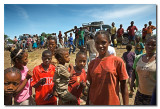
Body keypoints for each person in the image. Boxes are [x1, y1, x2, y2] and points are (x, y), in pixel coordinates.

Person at [86, 30, 129, 105]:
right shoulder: (92, 64)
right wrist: (87, 103)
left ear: (109, 42)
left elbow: (124, 86)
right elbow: (91, 86)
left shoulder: (117, 61)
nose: (100, 45)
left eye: (103, 42)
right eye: (97, 43)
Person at [130, 36, 156, 105]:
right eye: (148, 44)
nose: (150, 46)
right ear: (145, 45)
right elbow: (134, 70)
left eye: (153, 45)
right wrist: (132, 82)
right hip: (140, 94)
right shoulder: (139, 58)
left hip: (153, 96)